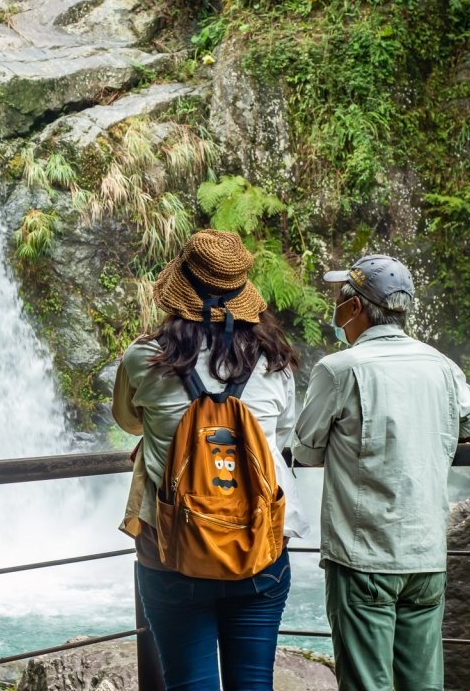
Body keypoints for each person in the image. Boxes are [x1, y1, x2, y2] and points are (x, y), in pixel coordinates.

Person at [113, 229, 308, 690]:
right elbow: (279, 435)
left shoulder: (145, 357)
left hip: (172, 549)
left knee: (188, 684)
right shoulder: (275, 360)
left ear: (177, 290)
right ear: (244, 296)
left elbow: (129, 421)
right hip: (259, 545)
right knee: (254, 684)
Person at [290, 254, 470, 691]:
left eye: (340, 299)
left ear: (356, 307)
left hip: (363, 558)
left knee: (367, 684)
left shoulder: (339, 369)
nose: (336, 309)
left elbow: (304, 451)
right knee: (423, 684)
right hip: (426, 556)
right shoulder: (441, 365)